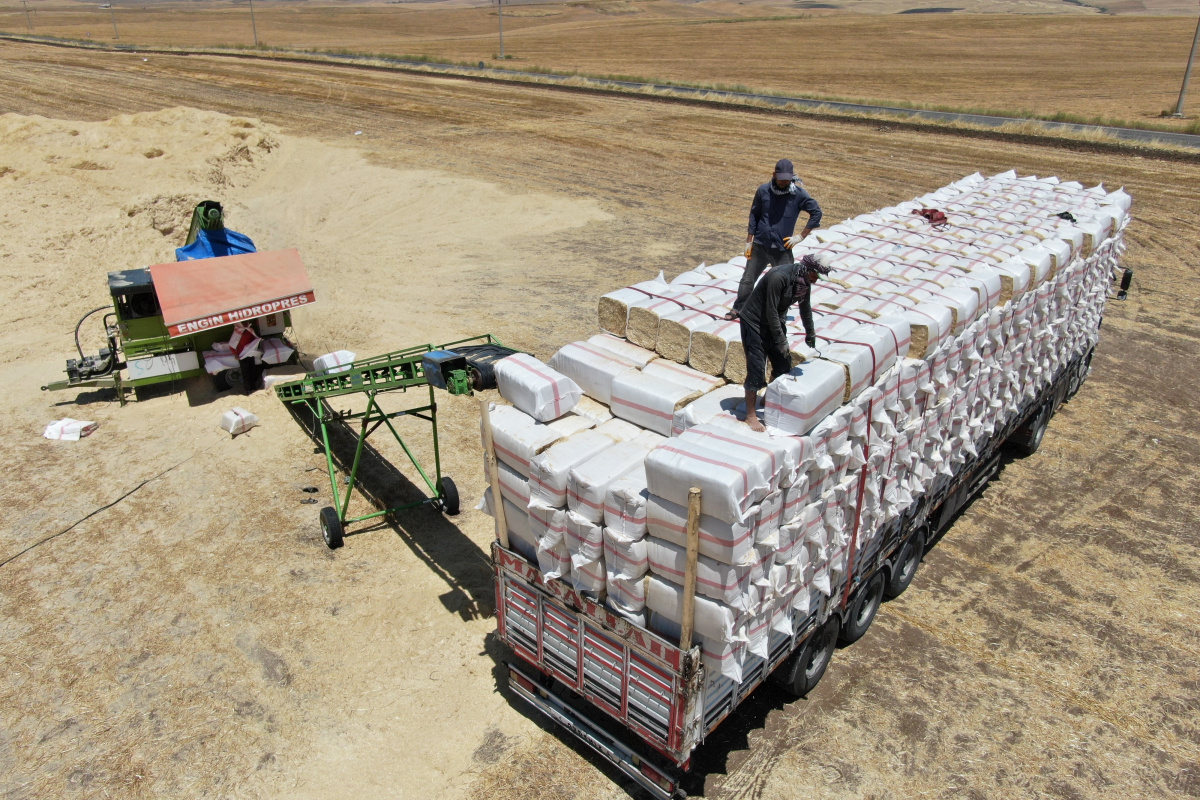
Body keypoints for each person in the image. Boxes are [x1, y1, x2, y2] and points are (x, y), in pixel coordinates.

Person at [739, 254, 831, 432]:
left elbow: (805, 309)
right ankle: (750, 415)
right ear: (809, 269)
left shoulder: (804, 282)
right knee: (757, 369)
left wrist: (810, 333)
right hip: (754, 322)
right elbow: (771, 311)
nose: (815, 281)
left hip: (774, 321)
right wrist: (781, 340)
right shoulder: (778, 277)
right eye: (815, 277)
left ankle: (767, 399)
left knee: (783, 364)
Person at [727, 158, 823, 321]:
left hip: (782, 249)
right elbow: (754, 214)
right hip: (759, 246)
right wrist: (749, 240)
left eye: (787, 179)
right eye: (781, 179)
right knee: (748, 280)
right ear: (774, 175)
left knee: (786, 283)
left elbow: (816, 213)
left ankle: (779, 314)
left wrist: (801, 236)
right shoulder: (763, 191)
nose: (784, 183)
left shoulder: (798, 195)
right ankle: (739, 309)